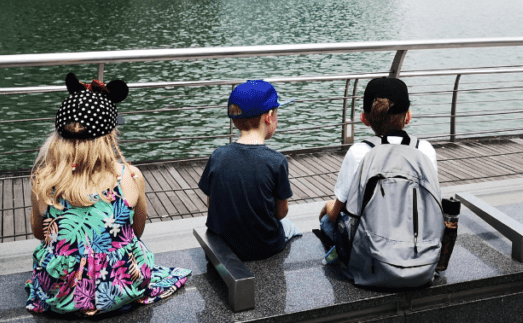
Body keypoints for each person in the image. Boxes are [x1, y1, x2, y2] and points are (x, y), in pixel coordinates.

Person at [26, 73, 190, 316]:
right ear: (109, 136)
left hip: (61, 294)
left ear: (59, 137)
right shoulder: (130, 176)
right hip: (121, 287)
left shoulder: (44, 182)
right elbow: (136, 232)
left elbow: (41, 234)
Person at [318, 77, 438, 264]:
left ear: (364, 119)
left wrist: (328, 207)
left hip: (371, 258)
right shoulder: (425, 150)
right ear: (408, 116)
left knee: (327, 221)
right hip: (418, 250)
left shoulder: (359, 152)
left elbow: (336, 213)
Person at [198, 80, 301, 260]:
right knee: (291, 226)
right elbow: (281, 212)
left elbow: (211, 202)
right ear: (269, 116)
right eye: (277, 113)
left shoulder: (217, 156)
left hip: (223, 244)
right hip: (265, 246)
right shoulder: (277, 161)